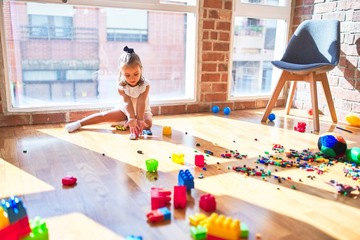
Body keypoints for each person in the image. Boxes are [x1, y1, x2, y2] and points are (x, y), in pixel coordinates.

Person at [65, 46, 152, 140]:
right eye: (127, 75)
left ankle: (124, 122)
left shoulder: (145, 85)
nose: (132, 78)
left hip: (143, 111)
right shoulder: (121, 86)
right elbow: (127, 103)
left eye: (136, 74)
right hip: (125, 110)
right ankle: (80, 123)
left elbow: (141, 102)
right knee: (104, 116)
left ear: (141, 70)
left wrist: (139, 120)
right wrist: (131, 118)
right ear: (122, 73)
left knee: (147, 124)